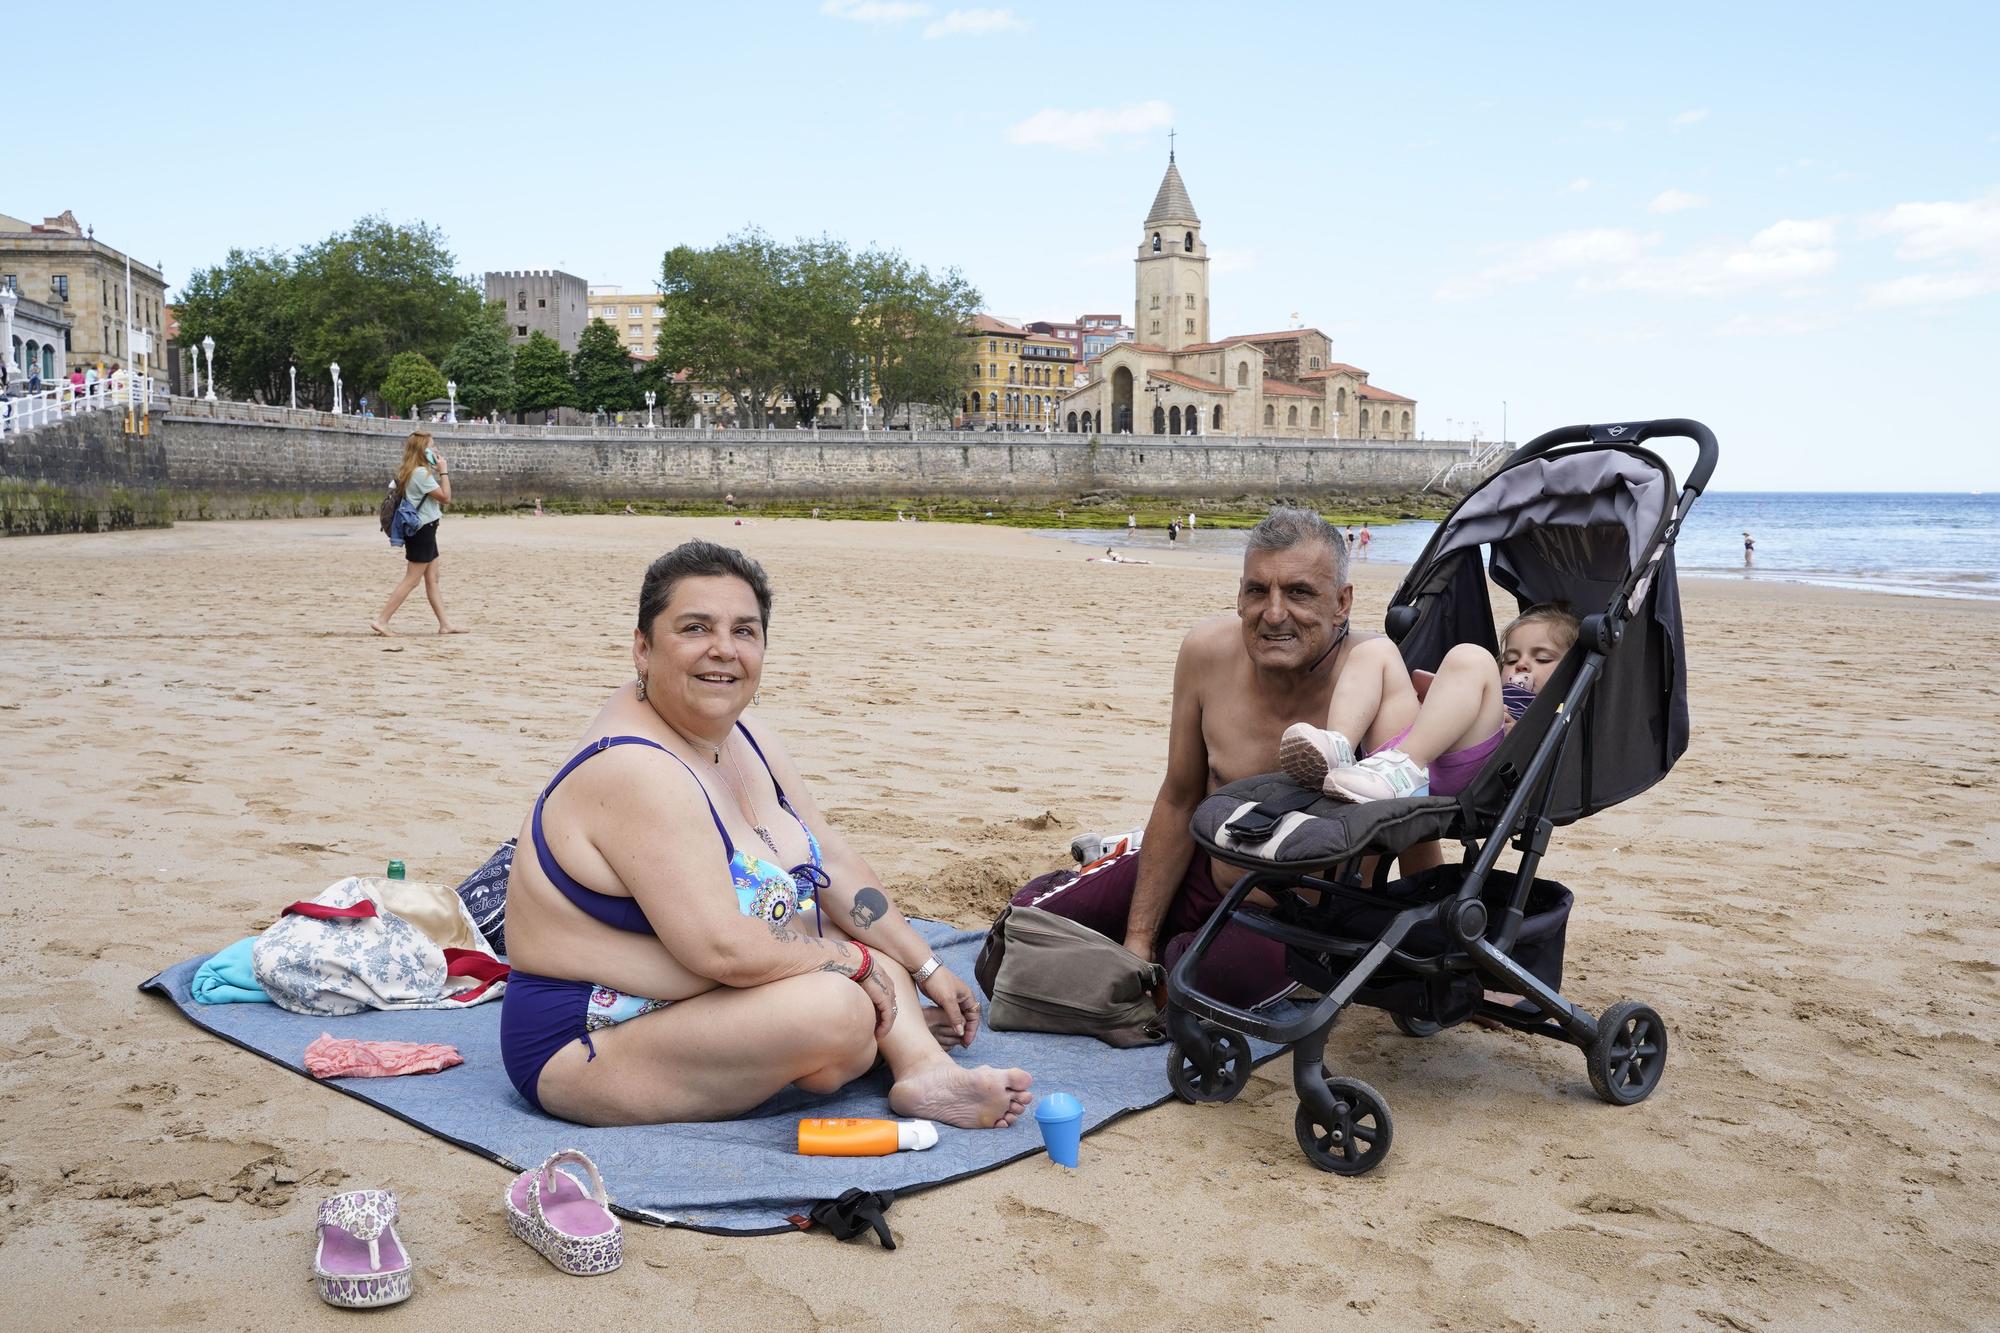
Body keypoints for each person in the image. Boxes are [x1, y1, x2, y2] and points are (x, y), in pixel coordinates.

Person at [498, 540, 1033, 1128]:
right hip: (588, 1040)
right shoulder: (634, 768)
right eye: (695, 628)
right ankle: (864, 1042)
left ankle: (923, 1069)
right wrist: (850, 961)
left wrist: (924, 964)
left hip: (700, 999)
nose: (723, 649)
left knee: (859, 947)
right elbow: (719, 947)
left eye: (744, 631)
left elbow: (826, 857)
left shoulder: (745, 734)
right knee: (840, 1006)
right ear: (643, 649)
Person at [1010, 507, 1433, 1008]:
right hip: (1200, 870)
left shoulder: (1373, 674)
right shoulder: (1206, 653)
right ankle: (1119, 892)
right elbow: (1180, 795)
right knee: (1021, 934)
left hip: (1296, 920)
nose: (1274, 613)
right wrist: (1136, 941)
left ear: (1342, 603)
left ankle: (1171, 949)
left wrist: (1440, 961)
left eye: (1299, 592)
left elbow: (1415, 827)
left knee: (1183, 990)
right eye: (1258, 591)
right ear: (1239, 595)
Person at [1280, 605, 1578, 802]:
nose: (1521, 666)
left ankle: (1404, 768)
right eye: (1511, 659)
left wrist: (1521, 732)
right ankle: (1340, 749)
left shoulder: (1559, 708)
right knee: (1376, 650)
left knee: (1472, 658)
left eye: (1542, 659)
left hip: (1471, 770)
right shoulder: (1495, 689)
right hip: (1400, 758)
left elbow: (1545, 760)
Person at [371, 431, 466, 636]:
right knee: (412, 579)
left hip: (426, 530)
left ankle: (444, 624)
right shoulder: (420, 474)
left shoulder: (410, 471)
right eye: (432, 446)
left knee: (432, 578)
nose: (436, 450)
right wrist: (444, 472)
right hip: (421, 531)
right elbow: (446, 497)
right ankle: (382, 620)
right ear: (422, 450)